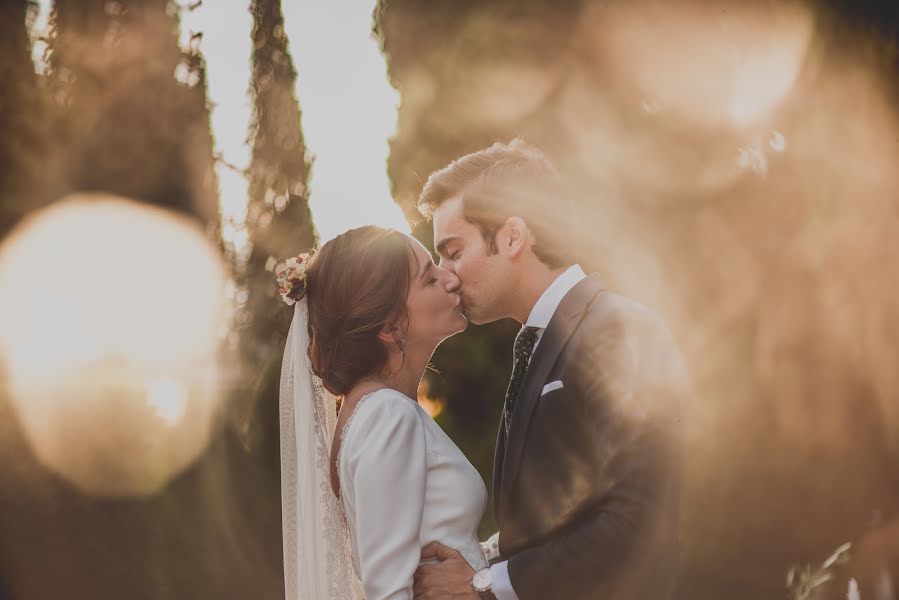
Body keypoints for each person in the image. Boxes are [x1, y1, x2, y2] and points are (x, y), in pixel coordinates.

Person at [412, 139, 690, 600]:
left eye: (453, 251)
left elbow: (638, 521)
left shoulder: (617, 328)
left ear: (513, 237)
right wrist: (476, 558)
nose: (447, 275)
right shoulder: (537, 346)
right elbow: (555, 518)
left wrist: (483, 586)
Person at [278, 226, 489, 600]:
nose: (451, 278)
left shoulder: (376, 412)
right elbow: (389, 591)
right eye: (429, 278)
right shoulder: (388, 417)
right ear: (390, 328)